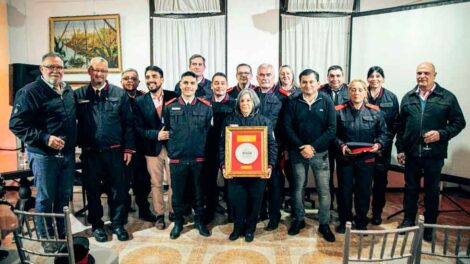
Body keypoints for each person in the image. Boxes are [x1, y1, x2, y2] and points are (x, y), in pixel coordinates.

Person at [9, 52, 77, 253]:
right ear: (42, 69)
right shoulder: (29, 92)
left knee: (64, 197)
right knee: (45, 198)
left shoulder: (67, 89)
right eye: (51, 67)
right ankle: (47, 238)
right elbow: (16, 124)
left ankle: (61, 234)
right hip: (43, 156)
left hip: (67, 154)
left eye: (59, 67)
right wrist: (46, 138)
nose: (55, 71)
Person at [396, 62, 465, 241]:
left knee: (431, 191)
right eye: (419, 73)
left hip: (434, 155)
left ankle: (429, 226)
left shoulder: (447, 97)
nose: (422, 76)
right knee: (410, 189)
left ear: (435, 75)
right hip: (411, 154)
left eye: (426, 73)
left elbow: (459, 122)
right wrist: (401, 149)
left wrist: (441, 134)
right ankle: (408, 220)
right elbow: (400, 127)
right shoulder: (408, 97)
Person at [75, 57, 135, 242]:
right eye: (96, 70)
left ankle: (117, 224)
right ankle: (97, 225)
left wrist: (128, 149)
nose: (99, 74)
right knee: (92, 191)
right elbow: (71, 123)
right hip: (90, 153)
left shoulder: (119, 94)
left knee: (118, 191)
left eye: (103, 71)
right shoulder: (79, 95)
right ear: (89, 71)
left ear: (107, 73)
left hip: (115, 152)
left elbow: (128, 124)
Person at [283, 69, 336, 242]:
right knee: (298, 188)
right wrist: (301, 146)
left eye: (311, 82)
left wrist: (313, 147)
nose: (308, 85)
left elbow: (331, 129)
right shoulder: (293, 101)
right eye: (304, 82)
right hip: (298, 153)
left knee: (324, 190)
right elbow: (287, 127)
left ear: (318, 83)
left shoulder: (327, 101)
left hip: (320, 154)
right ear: (299, 83)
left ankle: (324, 223)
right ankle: (299, 220)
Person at [220, 89, 277, 242]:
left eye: (248, 100)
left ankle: (250, 229)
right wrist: (224, 166)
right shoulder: (228, 121)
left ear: (254, 102)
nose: (245, 103)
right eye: (242, 101)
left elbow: (272, 146)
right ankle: (237, 228)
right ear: (238, 103)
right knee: (237, 201)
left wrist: (270, 165)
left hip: (257, 172)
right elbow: (222, 146)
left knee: (255, 201)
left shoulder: (265, 122)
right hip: (235, 172)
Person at [163, 71, 213, 239]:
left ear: (196, 86)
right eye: (185, 83)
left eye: (192, 83)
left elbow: (207, 130)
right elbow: (168, 130)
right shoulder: (170, 106)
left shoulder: (205, 107)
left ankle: (199, 221)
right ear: (180, 84)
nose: (188, 86)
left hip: (198, 158)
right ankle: (178, 222)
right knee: (177, 194)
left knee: (199, 193)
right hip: (177, 159)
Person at [335, 79, 389, 233]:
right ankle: (345, 221)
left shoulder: (375, 111)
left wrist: (378, 144)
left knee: (363, 191)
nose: (356, 93)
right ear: (348, 92)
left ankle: (361, 221)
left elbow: (384, 134)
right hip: (346, 158)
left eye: (360, 90)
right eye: (353, 89)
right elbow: (333, 134)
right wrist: (341, 145)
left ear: (365, 92)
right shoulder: (339, 111)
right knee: (344, 191)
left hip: (366, 159)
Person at [134, 66, 177, 230]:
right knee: (156, 183)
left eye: (154, 76)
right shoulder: (139, 101)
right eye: (147, 77)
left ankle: (173, 212)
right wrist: (155, 135)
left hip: (173, 147)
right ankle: (159, 215)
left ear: (162, 79)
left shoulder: (174, 96)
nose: (150, 79)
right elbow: (138, 128)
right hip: (152, 148)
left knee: (174, 183)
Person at [120, 68, 157, 222]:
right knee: (122, 180)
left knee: (143, 180)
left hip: (142, 146)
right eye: (126, 78)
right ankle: (124, 206)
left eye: (133, 78)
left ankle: (143, 208)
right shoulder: (116, 96)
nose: (130, 81)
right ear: (121, 81)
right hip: (122, 147)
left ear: (138, 82)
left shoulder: (144, 97)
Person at [365, 66, 399, 225]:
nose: (374, 79)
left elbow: (394, 124)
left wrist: (382, 143)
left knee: (379, 184)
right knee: (362, 183)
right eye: (371, 76)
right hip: (363, 147)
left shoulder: (391, 98)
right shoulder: (361, 93)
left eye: (378, 76)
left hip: (382, 149)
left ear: (383, 79)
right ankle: (361, 213)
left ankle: (377, 213)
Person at [202, 72, 235, 224]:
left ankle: (233, 213)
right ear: (211, 86)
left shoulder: (235, 103)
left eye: (222, 83)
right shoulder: (204, 103)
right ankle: (210, 211)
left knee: (230, 182)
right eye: (216, 83)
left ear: (227, 86)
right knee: (208, 182)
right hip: (208, 148)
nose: (219, 86)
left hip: (229, 149)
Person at [255, 63, 282, 231]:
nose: (265, 78)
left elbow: (285, 125)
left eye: (268, 75)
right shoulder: (250, 95)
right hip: (254, 149)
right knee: (258, 183)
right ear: (257, 77)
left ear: (273, 77)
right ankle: (261, 212)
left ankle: (274, 216)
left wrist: (283, 148)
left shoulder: (283, 98)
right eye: (262, 75)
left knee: (274, 185)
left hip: (273, 148)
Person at [319, 65, 350, 209]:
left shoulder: (351, 91)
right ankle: (328, 206)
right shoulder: (320, 91)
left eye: (338, 76)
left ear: (343, 77)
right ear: (327, 77)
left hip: (344, 140)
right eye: (332, 76)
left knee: (344, 177)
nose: (335, 79)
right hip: (326, 140)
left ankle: (343, 207)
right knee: (327, 176)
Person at [274, 65, 300, 212]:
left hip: (295, 140)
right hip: (279, 139)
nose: (285, 76)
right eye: (282, 73)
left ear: (292, 75)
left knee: (294, 175)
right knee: (278, 173)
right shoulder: (274, 93)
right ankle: (279, 201)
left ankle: (294, 202)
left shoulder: (300, 92)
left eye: (288, 73)